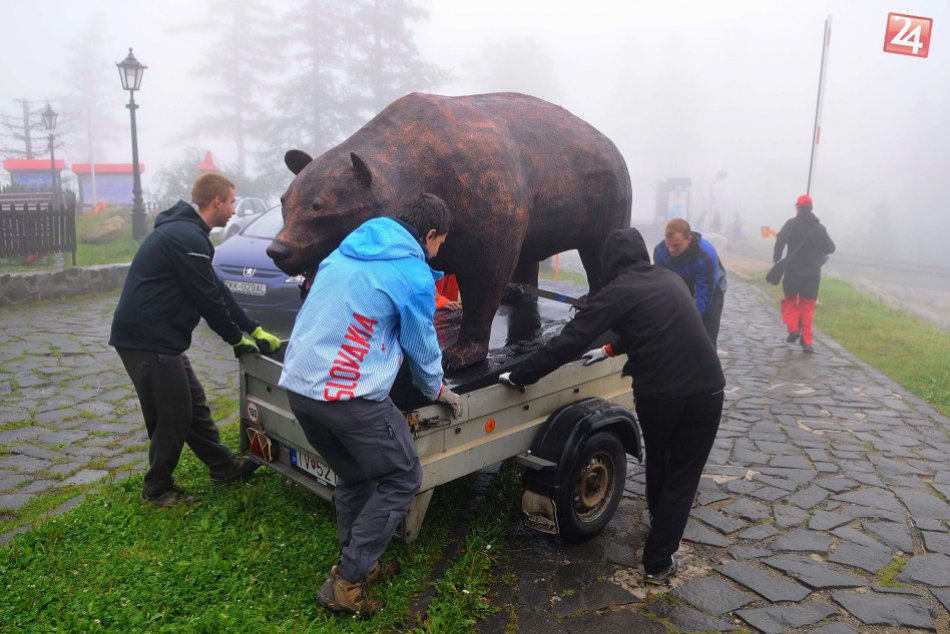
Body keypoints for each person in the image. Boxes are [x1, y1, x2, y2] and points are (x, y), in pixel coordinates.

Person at [498, 227, 724, 585]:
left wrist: (521, 375)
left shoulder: (617, 291)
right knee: (682, 476)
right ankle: (660, 538)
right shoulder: (669, 279)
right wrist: (610, 349)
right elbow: (655, 325)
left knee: (665, 464)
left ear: (608, 262)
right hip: (708, 389)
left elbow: (571, 340)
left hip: (661, 395)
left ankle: (656, 560)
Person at [279, 193, 463, 616]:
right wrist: (437, 389)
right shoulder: (413, 273)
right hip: (348, 397)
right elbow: (421, 344)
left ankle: (360, 561)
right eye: (440, 243)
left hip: (300, 387)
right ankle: (347, 582)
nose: (438, 252)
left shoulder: (345, 252)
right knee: (403, 476)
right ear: (430, 234)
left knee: (355, 475)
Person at [110, 173, 281, 508]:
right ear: (217, 201)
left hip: (160, 339)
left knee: (193, 405)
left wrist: (253, 328)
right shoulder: (186, 237)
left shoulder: (188, 236)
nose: (234, 209)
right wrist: (235, 338)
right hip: (147, 339)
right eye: (231, 201)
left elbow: (216, 288)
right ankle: (156, 488)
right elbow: (207, 300)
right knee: (173, 415)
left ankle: (222, 467)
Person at [773, 195, 836, 353]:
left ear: (798, 208)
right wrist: (817, 251)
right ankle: (807, 342)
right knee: (807, 307)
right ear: (811, 208)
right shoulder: (820, 228)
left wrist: (777, 259)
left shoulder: (791, 224)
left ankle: (793, 328)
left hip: (793, 270)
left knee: (789, 300)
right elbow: (831, 248)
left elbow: (780, 240)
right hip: (813, 274)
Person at [653, 218, 728, 345]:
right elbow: (663, 287)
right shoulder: (660, 251)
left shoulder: (705, 254)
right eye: (668, 244)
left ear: (688, 239)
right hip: (682, 285)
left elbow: (703, 295)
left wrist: (690, 322)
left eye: (676, 245)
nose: (671, 249)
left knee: (705, 337)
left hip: (712, 291)